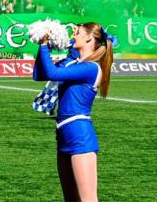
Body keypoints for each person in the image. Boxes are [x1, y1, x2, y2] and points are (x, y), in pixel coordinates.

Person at [33, 22, 114, 202]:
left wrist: (45, 44)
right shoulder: (73, 63)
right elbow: (40, 74)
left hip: (80, 135)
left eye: (77, 32)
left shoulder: (91, 68)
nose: (73, 34)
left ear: (89, 38)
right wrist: (42, 44)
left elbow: (53, 73)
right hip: (63, 134)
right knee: (70, 199)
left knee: (88, 199)